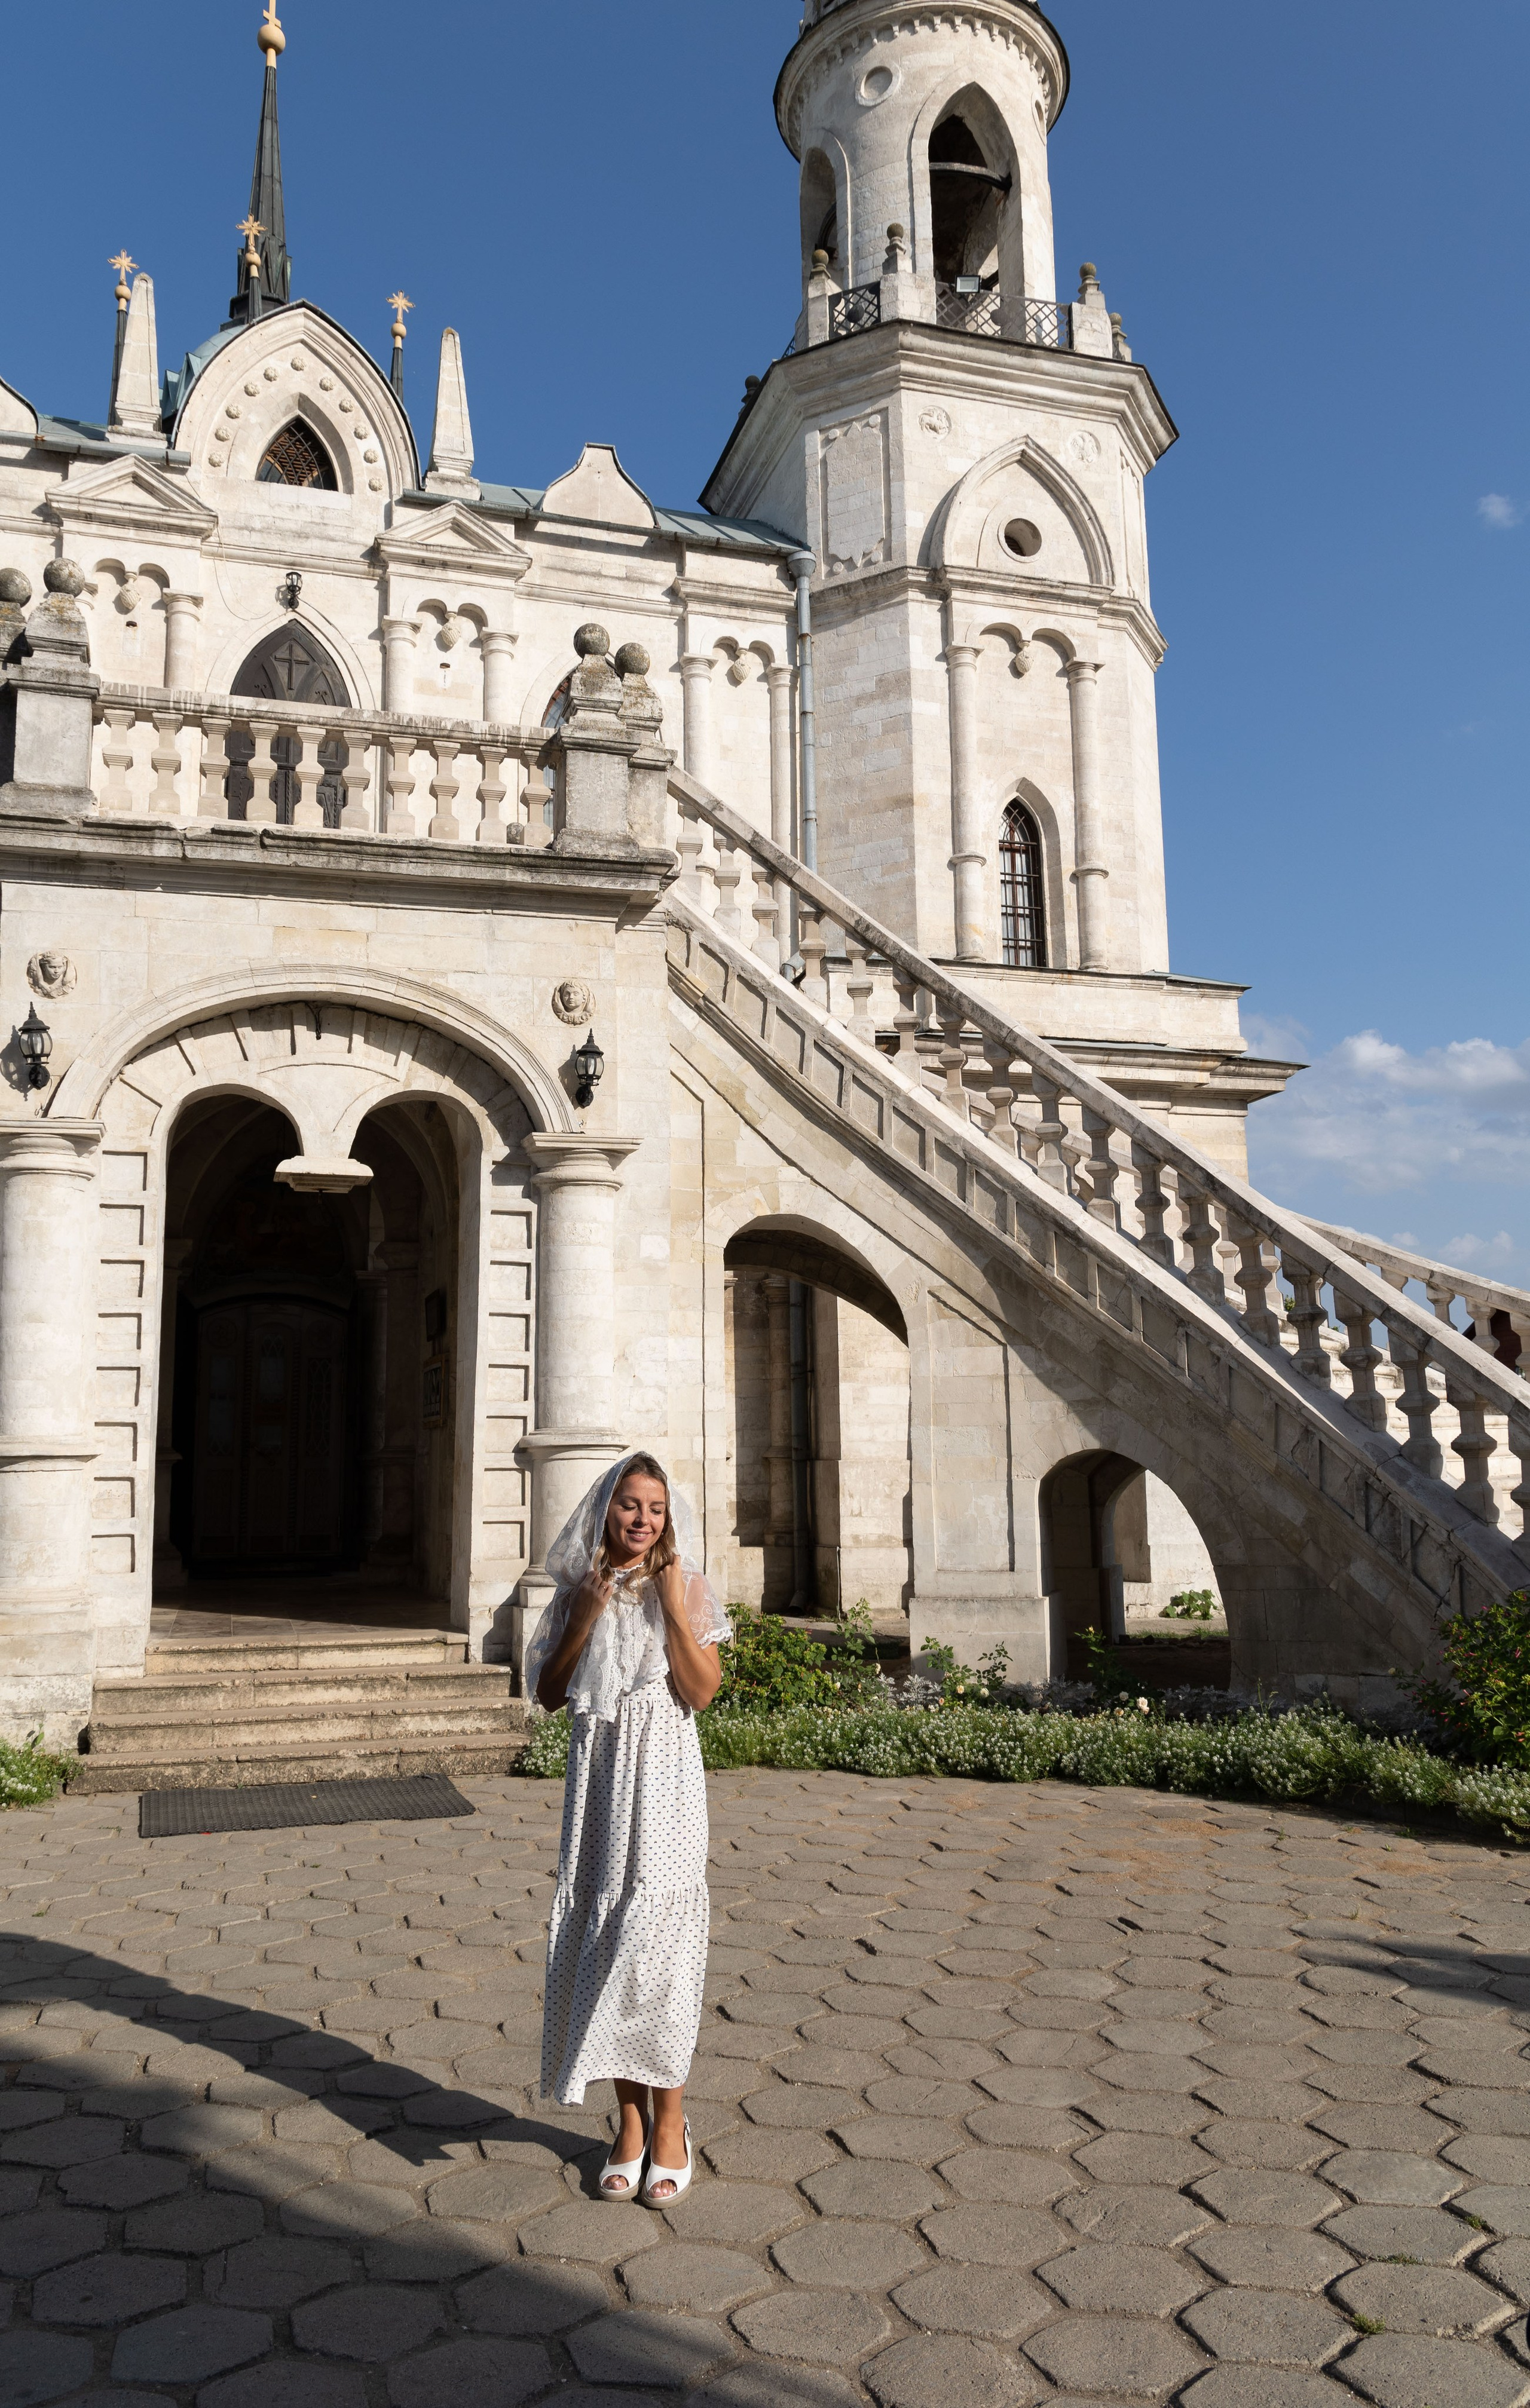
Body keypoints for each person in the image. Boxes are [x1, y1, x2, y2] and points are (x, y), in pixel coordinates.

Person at [528, 1451, 728, 2201]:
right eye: (628, 1506)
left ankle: (671, 2122)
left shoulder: (688, 1585)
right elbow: (549, 1694)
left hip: (667, 1784)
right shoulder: (580, 1590)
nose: (642, 1520)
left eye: (654, 1507)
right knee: (606, 1940)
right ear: (603, 1511)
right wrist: (582, 1619)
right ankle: (629, 2125)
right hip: (601, 1784)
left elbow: (702, 1693)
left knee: (659, 1948)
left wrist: (674, 1608)